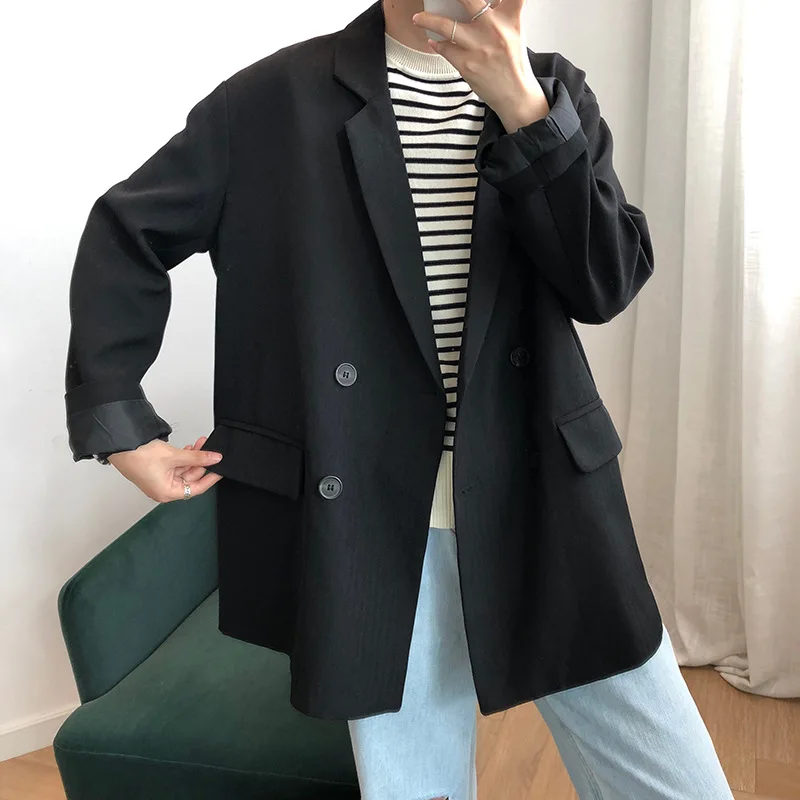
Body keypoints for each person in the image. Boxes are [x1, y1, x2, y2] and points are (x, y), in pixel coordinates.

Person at [64, 0, 736, 797]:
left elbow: (605, 283)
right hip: (368, 517)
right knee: (416, 787)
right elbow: (128, 231)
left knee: (677, 783)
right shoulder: (275, 100)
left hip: (542, 498)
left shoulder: (552, 90)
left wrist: (525, 111)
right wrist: (119, 423)